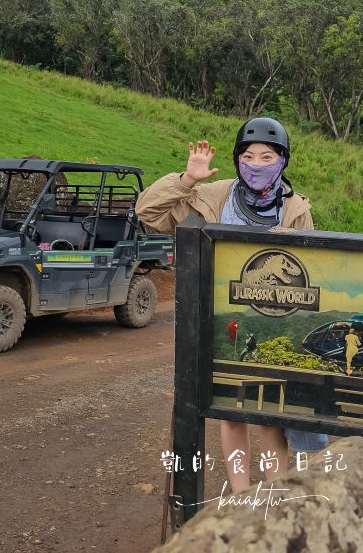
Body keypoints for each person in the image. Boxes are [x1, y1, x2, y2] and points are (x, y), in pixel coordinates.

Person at [136, 117, 324, 492]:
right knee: (231, 413)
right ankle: (240, 496)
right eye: (248, 156)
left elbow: (309, 268)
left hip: (270, 322)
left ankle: (274, 493)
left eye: (267, 157)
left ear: (283, 160)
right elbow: (148, 214)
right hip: (219, 319)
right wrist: (186, 180)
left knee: (268, 414)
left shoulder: (296, 209)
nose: (257, 165)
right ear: (238, 159)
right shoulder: (212, 197)